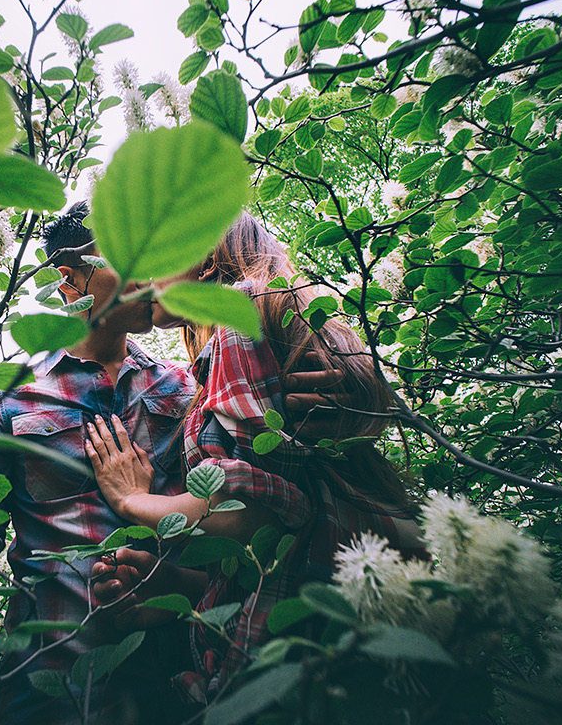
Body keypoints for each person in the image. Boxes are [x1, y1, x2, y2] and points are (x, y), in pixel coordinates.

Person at [0, 203, 352, 725]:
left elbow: (236, 529)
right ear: (69, 280)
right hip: (54, 688)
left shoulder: (188, 387)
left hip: (184, 683)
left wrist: (351, 403)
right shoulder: (6, 398)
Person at [84, 212, 427, 703]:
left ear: (201, 255)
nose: (141, 277)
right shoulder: (246, 331)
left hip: (307, 667)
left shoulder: (237, 316)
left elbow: (253, 512)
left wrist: (134, 501)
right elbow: (281, 539)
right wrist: (170, 593)